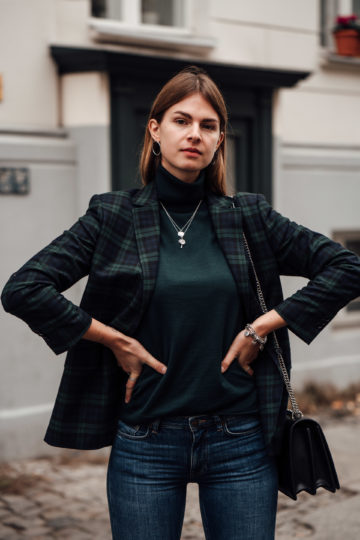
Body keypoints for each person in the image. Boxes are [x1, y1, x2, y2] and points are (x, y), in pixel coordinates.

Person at [2, 65, 360, 540]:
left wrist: (263, 326)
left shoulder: (248, 217)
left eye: (208, 125)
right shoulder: (113, 216)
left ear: (219, 141)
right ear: (155, 130)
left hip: (240, 440)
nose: (195, 134)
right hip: (146, 439)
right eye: (181, 120)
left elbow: (348, 267)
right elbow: (23, 289)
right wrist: (112, 340)